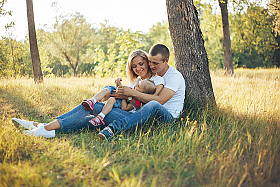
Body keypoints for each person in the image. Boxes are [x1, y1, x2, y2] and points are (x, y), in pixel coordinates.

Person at [12, 48, 165, 138]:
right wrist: (118, 91)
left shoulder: (156, 80)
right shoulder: (134, 83)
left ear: (147, 61)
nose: (138, 68)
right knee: (88, 118)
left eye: (141, 63)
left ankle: (45, 128)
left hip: (130, 118)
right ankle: (41, 127)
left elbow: (153, 102)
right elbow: (117, 98)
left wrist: (125, 94)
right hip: (115, 109)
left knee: (91, 107)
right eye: (134, 66)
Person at [97, 44, 185, 140]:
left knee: (154, 104)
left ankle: (113, 128)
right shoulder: (153, 76)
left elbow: (160, 101)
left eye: (155, 63)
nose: (151, 65)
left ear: (166, 61)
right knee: (96, 107)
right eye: (150, 62)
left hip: (167, 117)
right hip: (145, 116)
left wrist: (131, 94)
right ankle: (92, 113)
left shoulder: (174, 76)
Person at [83, 78, 156, 126]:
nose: (136, 85)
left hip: (114, 104)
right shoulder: (131, 90)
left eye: (139, 86)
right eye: (138, 83)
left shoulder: (136, 102)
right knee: (107, 89)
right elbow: (121, 90)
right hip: (112, 97)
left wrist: (125, 97)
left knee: (110, 100)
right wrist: (119, 83)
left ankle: (100, 117)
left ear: (143, 93)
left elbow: (124, 108)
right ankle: (92, 100)